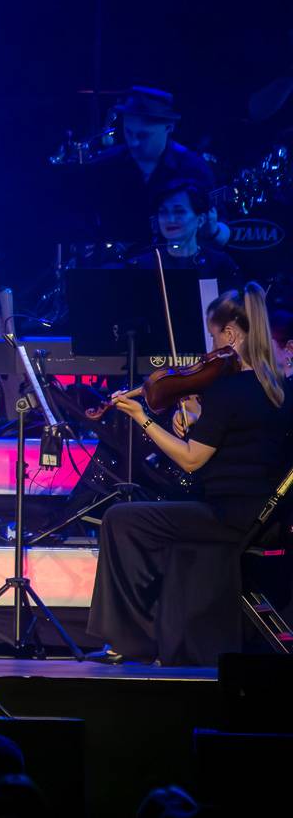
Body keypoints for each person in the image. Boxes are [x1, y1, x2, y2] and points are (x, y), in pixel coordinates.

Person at [88, 283, 293, 665]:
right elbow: (243, 440)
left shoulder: (229, 391)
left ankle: (131, 640)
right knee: (162, 516)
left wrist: (143, 418)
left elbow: (191, 460)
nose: (210, 349)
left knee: (121, 519)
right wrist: (199, 421)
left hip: (230, 517)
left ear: (230, 334)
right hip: (266, 517)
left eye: (214, 337)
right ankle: (164, 631)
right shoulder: (279, 388)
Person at [82, 87, 229, 250]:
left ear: (168, 128)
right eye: (128, 132)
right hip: (113, 262)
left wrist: (212, 231)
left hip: (174, 262)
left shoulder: (192, 168)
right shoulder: (106, 164)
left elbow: (222, 235)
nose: (133, 142)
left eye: (143, 135)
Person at [120, 179, 241, 287]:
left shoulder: (220, 265)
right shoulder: (142, 266)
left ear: (200, 219)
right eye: (163, 212)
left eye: (179, 212)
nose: (170, 219)